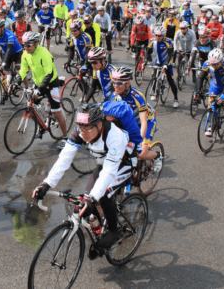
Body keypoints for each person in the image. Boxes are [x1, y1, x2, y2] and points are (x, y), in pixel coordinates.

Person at [32, 103, 136, 250]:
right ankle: (99, 227)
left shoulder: (115, 137)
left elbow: (109, 172)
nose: (84, 133)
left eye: (88, 129)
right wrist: (47, 183)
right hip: (103, 163)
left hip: (123, 163)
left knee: (103, 194)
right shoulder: (80, 132)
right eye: (81, 128)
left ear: (100, 124)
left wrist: (93, 199)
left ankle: (114, 231)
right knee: (87, 199)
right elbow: (64, 159)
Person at [17, 31, 67, 147]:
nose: (26, 47)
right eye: (24, 45)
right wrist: (17, 81)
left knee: (56, 112)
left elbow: (49, 74)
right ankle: (42, 126)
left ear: (36, 43)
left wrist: (39, 91)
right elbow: (24, 70)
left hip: (51, 84)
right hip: (38, 82)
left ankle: (65, 138)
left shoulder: (44, 53)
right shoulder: (25, 54)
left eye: (28, 45)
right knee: (30, 106)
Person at [108, 68, 161, 163]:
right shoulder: (114, 96)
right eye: (114, 82)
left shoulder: (138, 96)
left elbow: (144, 121)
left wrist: (138, 141)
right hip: (132, 124)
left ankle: (157, 156)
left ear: (127, 83)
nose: (115, 86)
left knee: (141, 155)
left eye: (119, 83)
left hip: (147, 122)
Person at [195, 49, 224, 136]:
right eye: (212, 64)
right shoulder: (207, 64)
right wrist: (198, 91)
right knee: (211, 105)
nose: (214, 66)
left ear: (221, 61)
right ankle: (210, 126)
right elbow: (201, 78)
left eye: (216, 64)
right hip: (215, 85)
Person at [145, 26, 179, 108]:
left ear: (163, 35)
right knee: (153, 77)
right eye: (156, 35)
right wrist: (145, 62)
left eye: (159, 36)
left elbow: (170, 55)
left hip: (167, 62)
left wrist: (166, 65)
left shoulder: (168, 42)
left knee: (171, 81)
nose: (157, 37)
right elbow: (148, 52)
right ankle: (155, 93)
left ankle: (176, 99)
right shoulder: (152, 41)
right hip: (158, 62)